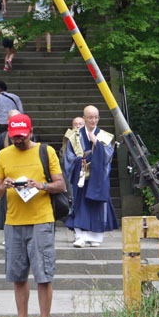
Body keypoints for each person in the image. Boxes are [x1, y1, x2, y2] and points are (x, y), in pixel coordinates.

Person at [0, 114, 66, 317]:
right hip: (13, 222)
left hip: (41, 221)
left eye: (22, 137)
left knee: (43, 275)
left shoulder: (46, 151)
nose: (18, 141)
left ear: (31, 132)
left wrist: (40, 185)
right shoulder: (3, 155)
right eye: (14, 137)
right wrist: (2, 186)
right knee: (18, 275)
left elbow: (60, 184)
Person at [64, 105, 119, 247]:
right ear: (84, 118)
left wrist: (96, 143)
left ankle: (96, 237)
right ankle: (80, 236)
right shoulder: (74, 136)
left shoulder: (104, 136)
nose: (93, 120)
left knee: (97, 207)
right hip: (81, 177)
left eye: (96, 117)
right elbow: (68, 156)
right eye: (90, 117)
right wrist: (80, 161)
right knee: (80, 205)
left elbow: (108, 157)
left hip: (97, 178)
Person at [61, 116, 85, 207]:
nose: (78, 126)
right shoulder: (69, 139)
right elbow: (68, 158)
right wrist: (78, 160)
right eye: (75, 124)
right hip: (74, 171)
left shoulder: (90, 137)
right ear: (72, 127)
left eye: (80, 124)